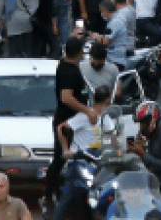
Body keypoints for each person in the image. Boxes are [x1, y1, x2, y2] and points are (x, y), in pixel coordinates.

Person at [46, 38, 96, 211]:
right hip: (67, 122)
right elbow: (66, 97)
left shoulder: (67, 65)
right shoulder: (68, 71)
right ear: (80, 53)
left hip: (74, 121)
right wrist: (87, 110)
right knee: (61, 158)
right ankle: (51, 195)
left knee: (74, 157)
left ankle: (71, 194)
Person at [53, 86, 116, 220]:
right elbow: (61, 128)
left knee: (107, 194)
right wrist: (66, 149)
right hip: (79, 163)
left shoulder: (105, 118)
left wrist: (116, 150)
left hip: (97, 165)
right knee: (67, 198)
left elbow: (110, 137)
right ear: (108, 101)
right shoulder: (84, 117)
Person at [128, 102, 161, 210]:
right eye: (140, 123)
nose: (141, 127)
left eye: (144, 123)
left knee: (159, 212)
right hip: (151, 184)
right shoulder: (152, 137)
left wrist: (143, 154)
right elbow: (151, 165)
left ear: (153, 121)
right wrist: (141, 153)